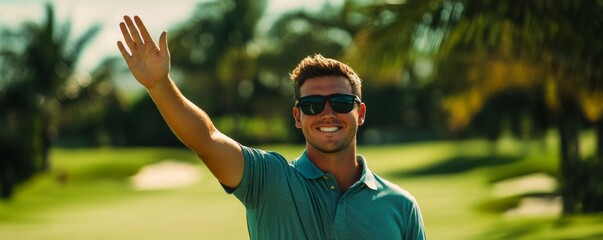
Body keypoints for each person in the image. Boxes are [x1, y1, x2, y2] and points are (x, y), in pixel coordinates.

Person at [117, 15, 426, 240]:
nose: (327, 114)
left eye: (342, 103)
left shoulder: (401, 205)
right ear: (297, 116)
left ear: (360, 112)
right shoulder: (267, 180)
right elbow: (206, 139)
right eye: (313, 106)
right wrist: (160, 85)